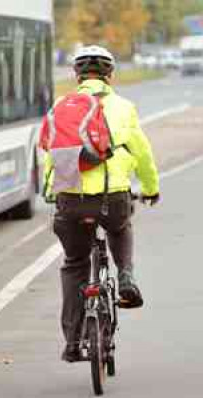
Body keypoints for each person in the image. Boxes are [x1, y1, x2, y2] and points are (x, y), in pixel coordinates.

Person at [43, 45, 160, 363]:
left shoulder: (60, 106)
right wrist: (150, 188)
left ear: (76, 75)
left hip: (70, 200)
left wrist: (51, 190)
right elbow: (143, 153)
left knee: (74, 264)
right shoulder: (124, 107)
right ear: (110, 75)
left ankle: (71, 341)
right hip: (113, 198)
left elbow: (51, 155)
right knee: (120, 227)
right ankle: (125, 276)